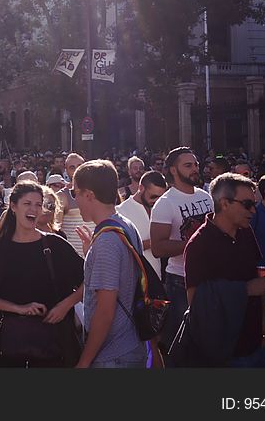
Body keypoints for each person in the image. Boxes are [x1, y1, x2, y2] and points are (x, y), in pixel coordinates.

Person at [0, 180, 84, 368]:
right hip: (12, 342)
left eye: (38, 205)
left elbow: (88, 280)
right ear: (13, 206)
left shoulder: (55, 245)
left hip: (56, 343)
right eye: (27, 203)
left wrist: (64, 306)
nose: (33, 209)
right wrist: (18, 308)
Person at [182, 173, 265, 367]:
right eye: (247, 204)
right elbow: (196, 301)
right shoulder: (199, 245)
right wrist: (245, 289)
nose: (253, 211)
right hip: (226, 352)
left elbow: (259, 276)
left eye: (254, 204)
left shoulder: (246, 232)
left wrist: (264, 318)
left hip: (255, 342)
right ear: (224, 203)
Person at [75, 160, 147, 369]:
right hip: (131, 344)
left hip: (113, 355)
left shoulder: (107, 241)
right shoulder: (125, 224)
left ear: (88, 194)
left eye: (75, 192)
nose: (75, 199)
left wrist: (84, 361)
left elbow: (105, 311)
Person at [150, 146, 213, 358]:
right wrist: (196, 243)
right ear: (173, 170)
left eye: (196, 164)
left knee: (209, 340)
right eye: (188, 165)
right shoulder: (165, 203)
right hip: (180, 282)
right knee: (181, 345)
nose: (195, 169)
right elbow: (158, 247)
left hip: (211, 279)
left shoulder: (206, 197)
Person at [116, 171, 167, 278]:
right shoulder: (121, 211)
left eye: (161, 197)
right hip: (135, 281)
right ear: (141, 188)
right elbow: (123, 248)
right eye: (153, 196)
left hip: (158, 278)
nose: (157, 201)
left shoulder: (162, 208)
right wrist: (156, 243)